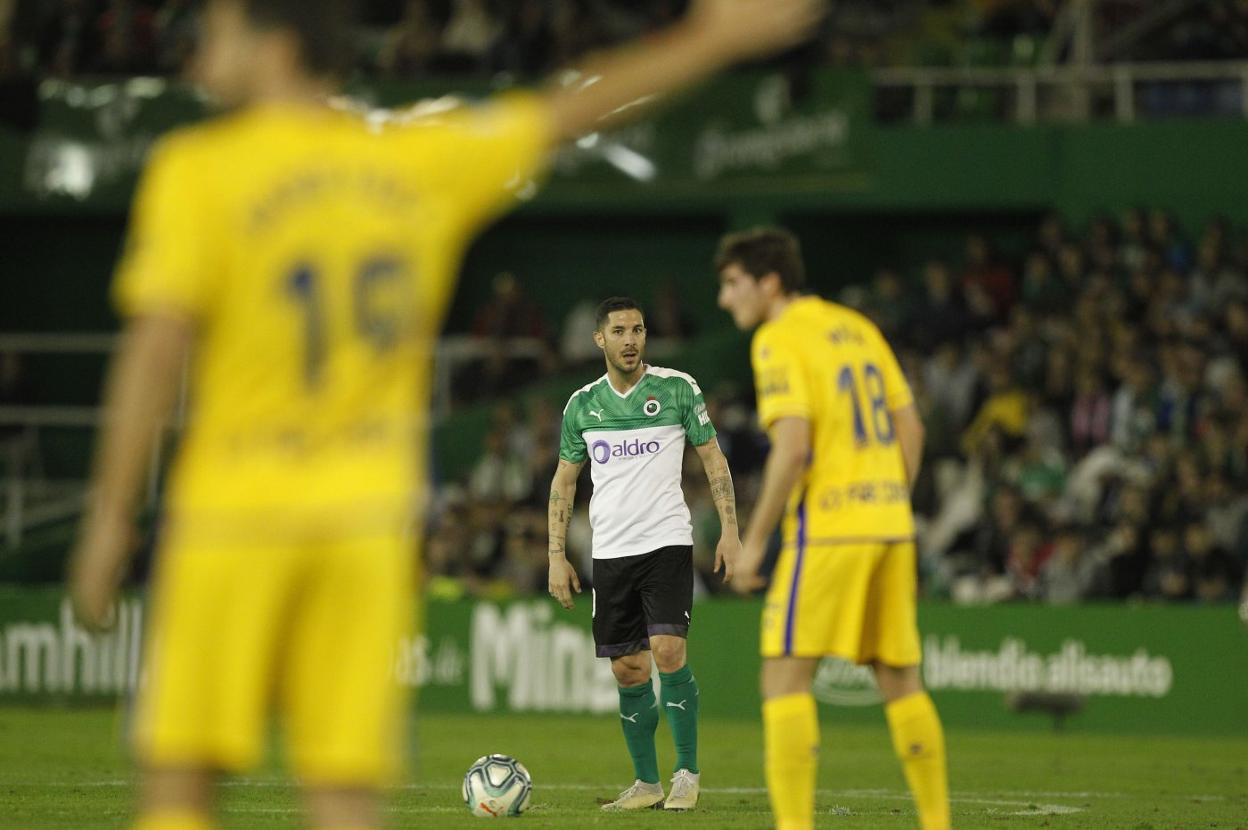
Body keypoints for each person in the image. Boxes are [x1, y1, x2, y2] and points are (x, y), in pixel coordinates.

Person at [64, 2, 825, 829]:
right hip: (362, 527)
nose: (196, 54)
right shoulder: (418, 160)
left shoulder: (200, 169)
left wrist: (109, 515)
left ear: (272, 45)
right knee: (345, 797)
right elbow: (573, 106)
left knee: (179, 785)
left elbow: (154, 354)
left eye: (214, 32)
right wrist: (718, 37)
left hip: (228, 513)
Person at [714, 227, 950, 830]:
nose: (724, 298)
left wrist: (757, 537)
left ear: (769, 283)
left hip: (830, 527)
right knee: (899, 676)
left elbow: (792, 448)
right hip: (892, 524)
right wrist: (892, 496)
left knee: (784, 673)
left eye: (733, 283)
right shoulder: (858, 327)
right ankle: (937, 821)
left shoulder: (778, 338)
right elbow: (913, 431)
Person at [547, 296, 741, 812]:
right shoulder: (581, 406)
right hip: (610, 553)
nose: (630, 339)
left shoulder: (678, 389)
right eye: (619, 331)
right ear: (600, 339)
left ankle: (686, 774)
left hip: (666, 541)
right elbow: (564, 483)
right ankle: (646, 783)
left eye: (637, 330)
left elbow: (713, 461)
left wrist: (730, 531)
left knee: (668, 650)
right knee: (628, 669)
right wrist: (555, 556)